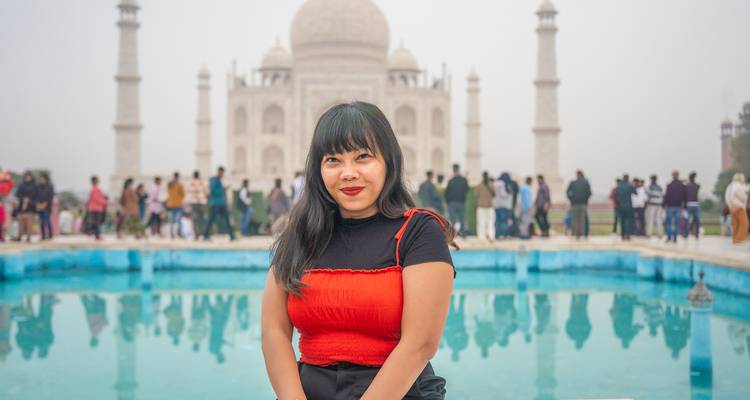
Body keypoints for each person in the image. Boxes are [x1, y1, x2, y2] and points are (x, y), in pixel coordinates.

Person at [261, 102, 456, 399]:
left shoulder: (417, 232)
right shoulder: (301, 236)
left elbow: (420, 344)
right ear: (318, 169)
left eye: (363, 157)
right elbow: (274, 332)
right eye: (333, 160)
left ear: (388, 161)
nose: (348, 173)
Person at [203, 166, 235, 241]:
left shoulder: (218, 181)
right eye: (222, 173)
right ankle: (205, 235)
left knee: (227, 219)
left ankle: (232, 236)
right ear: (219, 172)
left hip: (221, 204)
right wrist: (223, 189)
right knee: (211, 219)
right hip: (215, 204)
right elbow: (214, 191)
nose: (222, 174)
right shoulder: (214, 180)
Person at [444, 164, 469, 237]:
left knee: (452, 219)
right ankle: (463, 234)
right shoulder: (464, 180)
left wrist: (447, 202)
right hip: (461, 201)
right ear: (459, 170)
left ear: (453, 170)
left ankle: (452, 235)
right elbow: (467, 189)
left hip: (452, 203)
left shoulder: (450, 181)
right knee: (462, 218)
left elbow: (446, 193)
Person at [566, 170, 592, 239]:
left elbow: (567, 192)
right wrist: (585, 200)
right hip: (582, 204)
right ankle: (581, 234)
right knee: (581, 220)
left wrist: (571, 199)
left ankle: (576, 234)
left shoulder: (573, 183)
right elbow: (589, 193)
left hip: (574, 204)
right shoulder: (586, 183)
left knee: (575, 219)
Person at [12, 172, 37, 242]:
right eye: (26, 177)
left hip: (30, 208)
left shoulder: (34, 186)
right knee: (20, 223)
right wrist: (23, 200)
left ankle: (28, 237)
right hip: (21, 207)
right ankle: (19, 236)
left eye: (29, 177)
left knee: (29, 224)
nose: (28, 178)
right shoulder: (21, 185)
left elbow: (36, 196)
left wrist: (28, 201)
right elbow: (17, 194)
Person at [663, 171, 687, 243]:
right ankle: (675, 238)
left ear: (672, 176)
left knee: (669, 223)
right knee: (676, 223)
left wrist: (663, 205)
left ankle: (669, 237)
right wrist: (684, 207)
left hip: (670, 206)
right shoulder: (682, 186)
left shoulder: (669, 185)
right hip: (678, 206)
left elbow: (666, 196)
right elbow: (684, 197)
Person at [724, 172, 748, 244]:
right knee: (744, 223)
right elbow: (742, 197)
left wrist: (730, 206)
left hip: (732, 207)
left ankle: (735, 238)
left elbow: (727, 197)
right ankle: (740, 239)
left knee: (736, 224)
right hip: (739, 206)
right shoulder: (738, 186)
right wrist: (746, 196)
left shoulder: (730, 186)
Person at [186, 171, 208, 240]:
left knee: (196, 219)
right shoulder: (201, 182)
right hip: (200, 202)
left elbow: (190, 191)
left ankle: (198, 234)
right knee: (201, 219)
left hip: (196, 202)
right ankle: (201, 234)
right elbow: (205, 191)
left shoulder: (192, 183)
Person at [85, 175, 108, 240]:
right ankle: (97, 235)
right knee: (97, 223)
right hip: (96, 208)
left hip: (95, 208)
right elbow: (98, 199)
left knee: (96, 222)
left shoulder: (94, 189)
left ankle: (96, 234)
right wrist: (105, 202)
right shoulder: (95, 189)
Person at [614, 174, 636, 241]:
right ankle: (628, 235)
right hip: (628, 206)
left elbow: (616, 195)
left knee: (622, 222)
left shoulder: (618, 186)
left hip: (620, 206)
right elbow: (635, 193)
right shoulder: (629, 185)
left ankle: (623, 235)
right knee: (628, 221)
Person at [475, 171, 496, 241]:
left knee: (482, 222)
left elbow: (476, 195)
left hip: (481, 206)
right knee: (489, 222)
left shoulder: (479, 185)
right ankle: (490, 235)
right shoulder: (491, 184)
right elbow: (494, 194)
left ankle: (482, 237)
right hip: (489, 206)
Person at [166, 172, 185, 239]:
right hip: (177, 205)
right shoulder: (179, 184)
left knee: (173, 220)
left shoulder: (170, 184)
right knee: (178, 220)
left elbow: (168, 193)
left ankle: (173, 234)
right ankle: (176, 233)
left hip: (172, 204)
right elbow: (183, 194)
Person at [493, 172, 513, 239]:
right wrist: (509, 193)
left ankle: (497, 234)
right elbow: (503, 194)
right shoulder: (502, 184)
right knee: (503, 221)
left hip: (496, 205)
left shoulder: (495, 183)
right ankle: (504, 235)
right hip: (503, 205)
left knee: (497, 221)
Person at [36, 173, 55, 241]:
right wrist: (38, 204)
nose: (41, 180)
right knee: (41, 222)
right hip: (39, 207)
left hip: (47, 207)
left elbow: (50, 197)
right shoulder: (38, 187)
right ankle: (43, 235)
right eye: (40, 179)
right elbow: (36, 196)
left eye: (43, 179)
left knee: (47, 221)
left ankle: (50, 235)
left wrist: (45, 204)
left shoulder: (49, 186)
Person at [685, 172, 701, 239]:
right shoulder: (697, 185)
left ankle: (686, 233)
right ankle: (696, 233)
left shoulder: (687, 186)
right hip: (696, 204)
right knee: (697, 220)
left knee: (687, 220)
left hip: (688, 204)